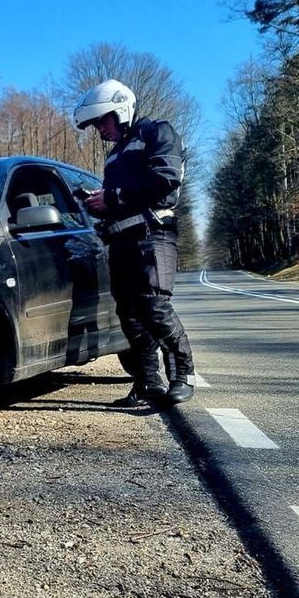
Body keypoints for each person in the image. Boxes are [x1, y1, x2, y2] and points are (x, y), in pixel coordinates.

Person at [74, 79, 196, 408]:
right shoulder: (114, 157)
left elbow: (166, 178)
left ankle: (183, 375)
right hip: (122, 240)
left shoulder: (157, 132)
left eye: (103, 121)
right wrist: (97, 204)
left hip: (154, 235)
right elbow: (118, 201)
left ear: (121, 110)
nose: (100, 129)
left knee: (154, 306)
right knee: (128, 314)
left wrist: (112, 196)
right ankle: (147, 384)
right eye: (96, 124)